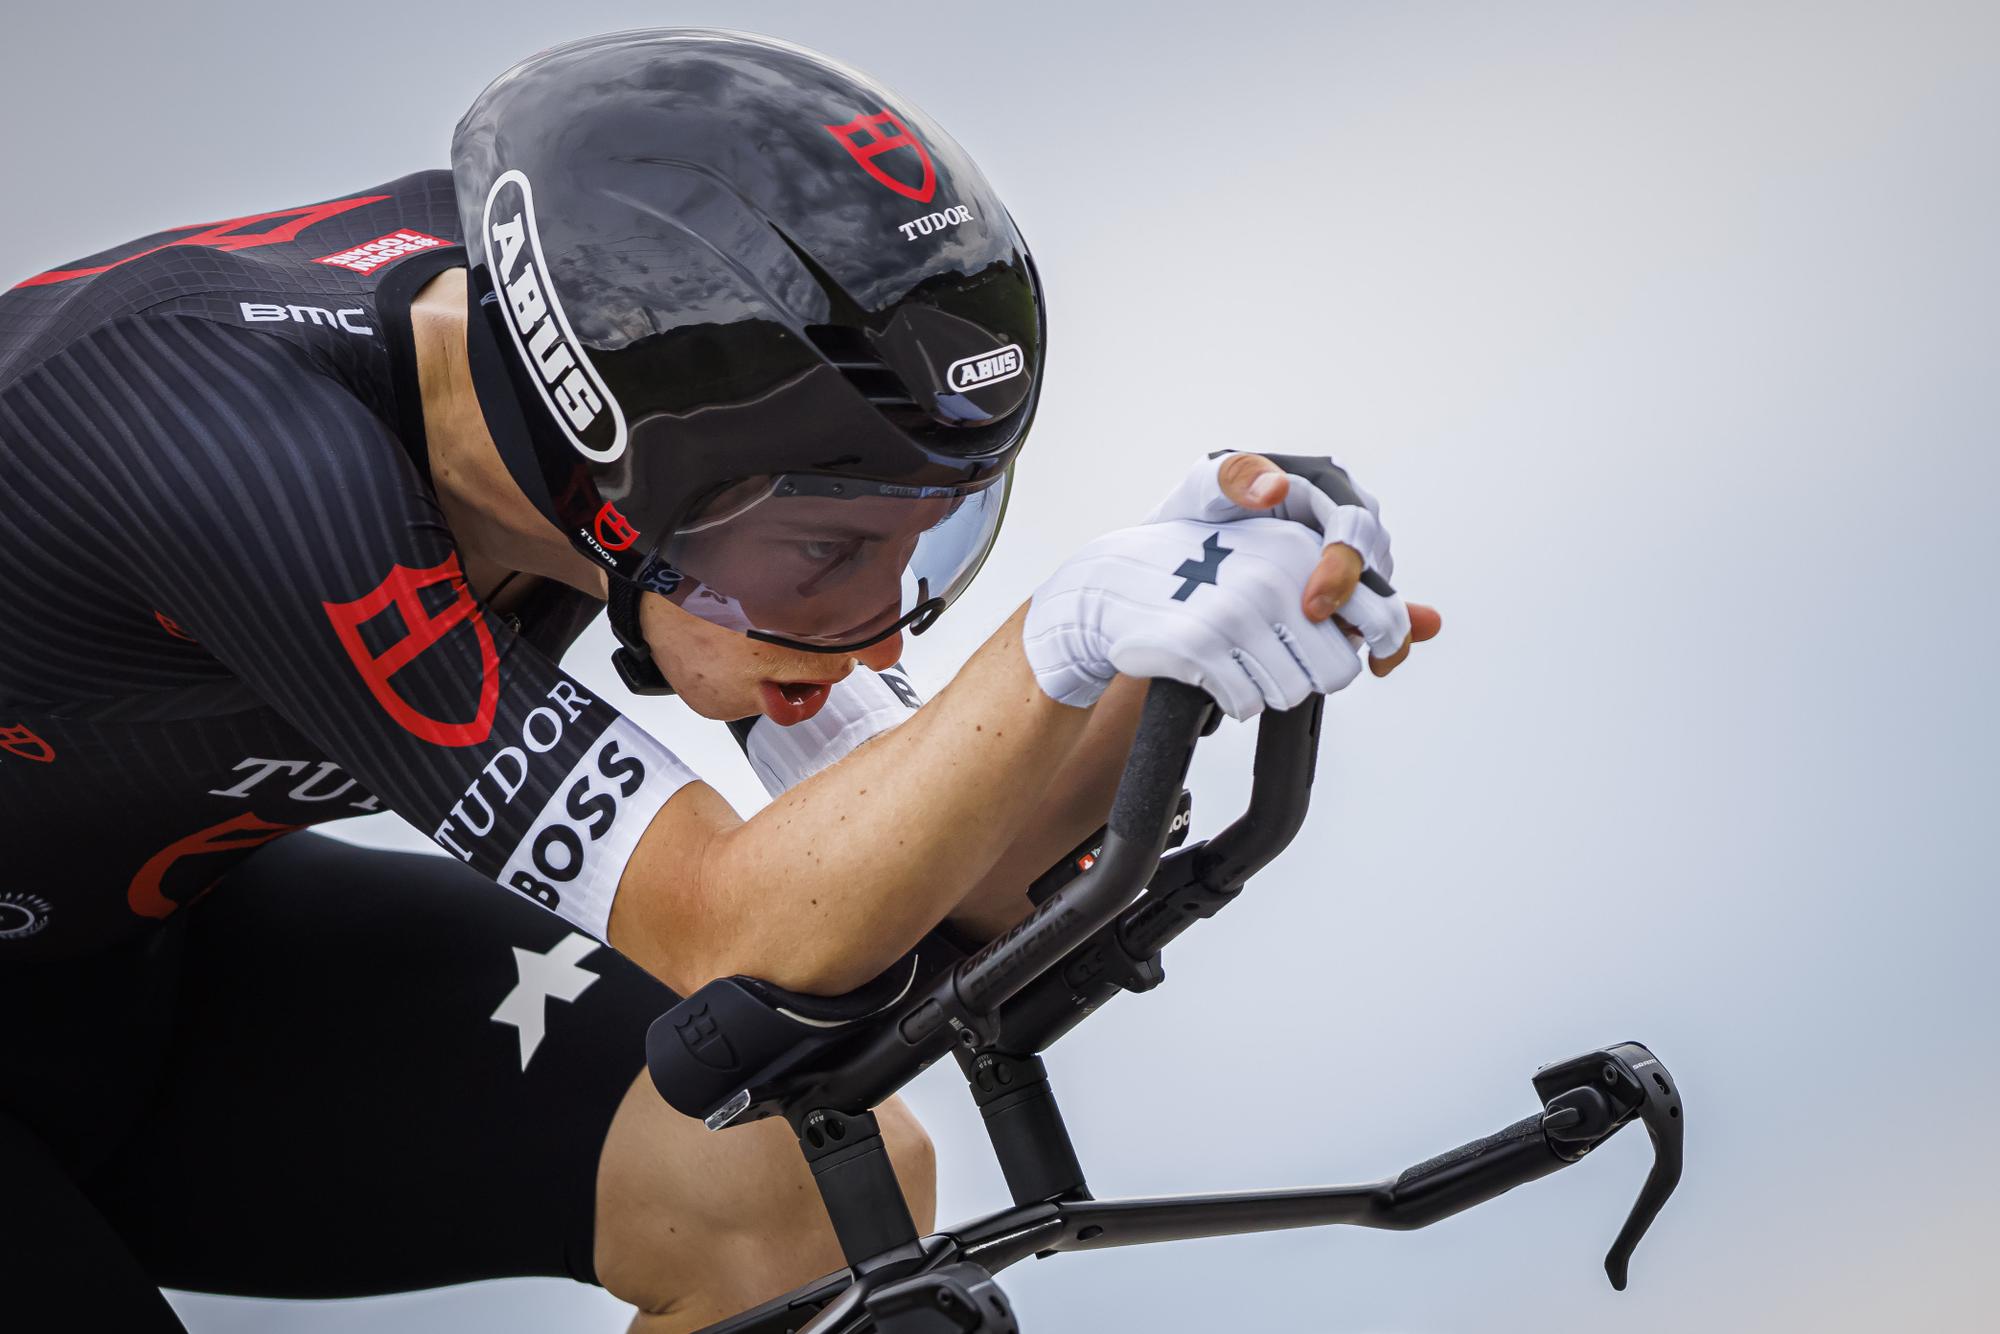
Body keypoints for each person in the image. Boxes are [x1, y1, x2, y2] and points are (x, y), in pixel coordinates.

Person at [0, 27, 1439, 1334]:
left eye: (928, 539)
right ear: (609, 462)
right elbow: (734, 924)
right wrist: (1056, 635)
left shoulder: (600, 376)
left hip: (132, 972)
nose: (879, 628)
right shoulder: (230, 449)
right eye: (825, 549)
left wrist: (1160, 636)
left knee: (797, 1196)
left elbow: (940, 880)